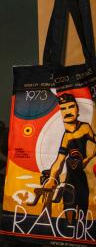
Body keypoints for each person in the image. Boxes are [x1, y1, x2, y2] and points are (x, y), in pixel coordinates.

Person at [43, 93, 96, 223]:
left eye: (71, 107)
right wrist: (51, 178)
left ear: (77, 109)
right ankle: (68, 230)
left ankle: (81, 233)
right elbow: (59, 160)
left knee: (83, 207)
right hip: (71, 177)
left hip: (85, 176)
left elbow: (94, 146)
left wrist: (88, 159)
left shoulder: (85, 128)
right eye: (63, 108)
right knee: (69, 202)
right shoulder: (66, 137)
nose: (67, 112)